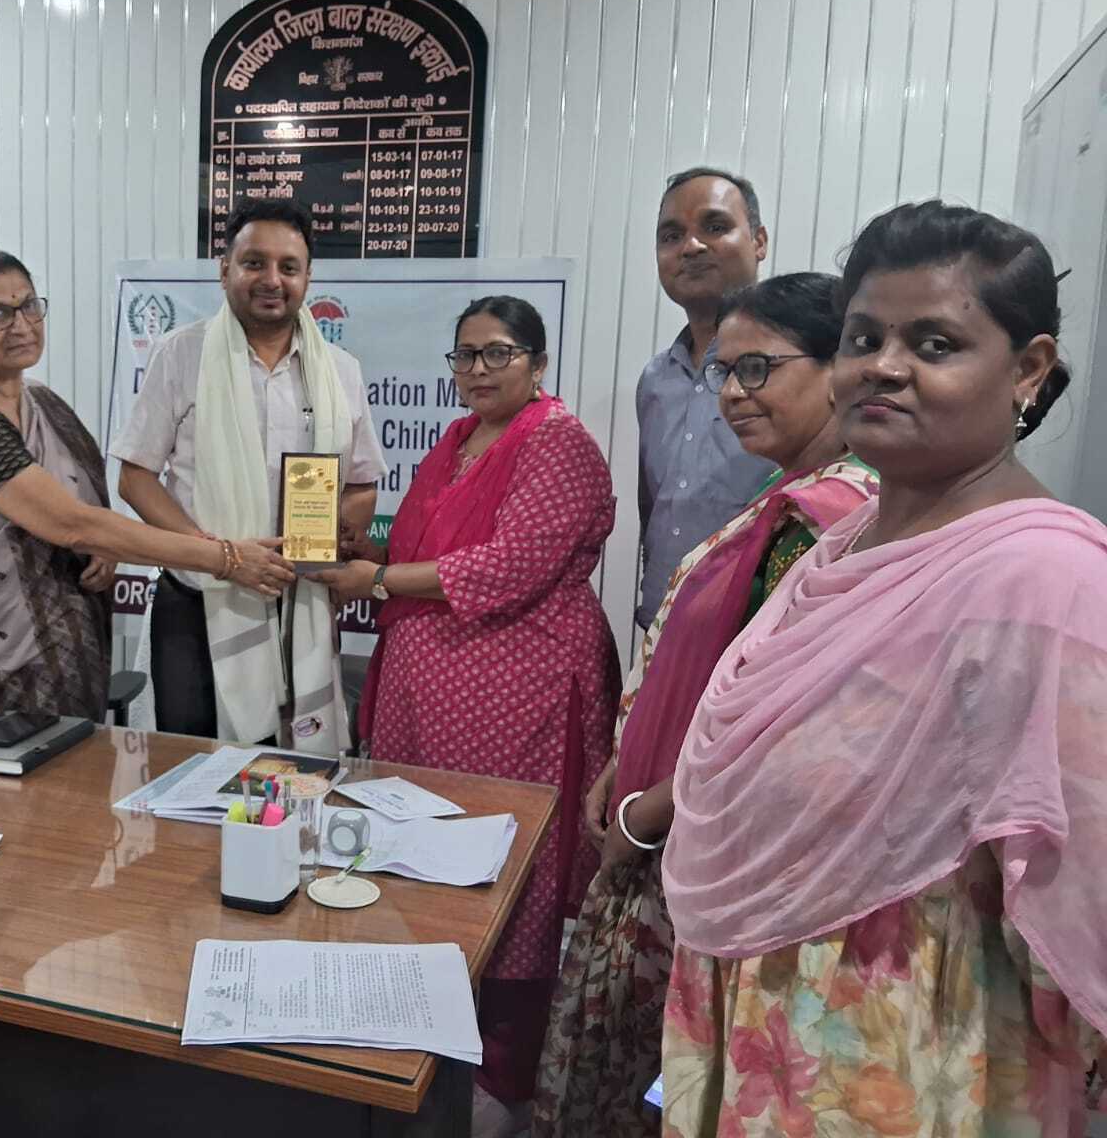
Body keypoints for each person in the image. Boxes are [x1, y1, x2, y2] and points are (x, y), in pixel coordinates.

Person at [661, 202, 1106, 1136]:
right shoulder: (845, 540)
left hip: (905, 1054)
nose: (883, 367)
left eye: (935, 344)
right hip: (764, 1020)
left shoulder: (1045, 582)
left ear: (1027, 369)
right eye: (864, 338)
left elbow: (1080, 882)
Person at [531, 273, 877, 1138]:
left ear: (838, 368)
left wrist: (645, 813)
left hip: (701, 851)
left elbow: (773, 727)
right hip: (658, 817)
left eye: (758, 368)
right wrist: (624, 762)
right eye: (725, 370)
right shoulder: (786, 498)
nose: (732, 393)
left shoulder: (833, 521)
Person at [311, 296, 620, 1138]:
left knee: (507, 870)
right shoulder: (456, 440)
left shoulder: (557, 442)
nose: (478, 370)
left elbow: (509, 566)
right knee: (422, 860)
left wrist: (377, 581)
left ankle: (503, 1074)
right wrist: (365, 555)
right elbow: (425, 554)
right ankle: (425, 1040)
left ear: (538, 362)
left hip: (517, 689)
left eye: (498, 353)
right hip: (429, 690)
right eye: (465, 355)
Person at [0, 248, 295, 719]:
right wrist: (226, 558)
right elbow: (72, 524)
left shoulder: (40, 400)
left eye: (29, 306)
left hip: (59, 644)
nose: (22, 326)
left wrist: (105, 549)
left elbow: (82, 509)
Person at [113, 198, 386, 750]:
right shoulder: (180, 355)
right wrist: (221, 555)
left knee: (292, 765)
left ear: (307, 278)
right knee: (188, 760)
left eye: (289, 267)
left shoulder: (341, 371)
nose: (272, 280)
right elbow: (135, 477)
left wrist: (333, 539)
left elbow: (361, 483)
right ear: (225, 270)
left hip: (300, 604)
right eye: (254, 263)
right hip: (198, 597)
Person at [635, 167, 778, 630]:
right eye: (671, 236)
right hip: (660, 625)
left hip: (756, 631)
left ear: (758, 241)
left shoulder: (799, 367)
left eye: (715, 227)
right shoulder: (656, 380)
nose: (691, 247)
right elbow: (653, 510)